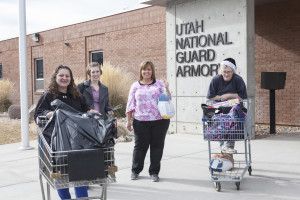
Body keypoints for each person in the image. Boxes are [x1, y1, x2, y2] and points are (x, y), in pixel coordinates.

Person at [34, 65, 97, 200]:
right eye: (61, 75)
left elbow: (85, 109)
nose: (64, 78)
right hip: (57, 143)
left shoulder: (76, 96)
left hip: (77, 142)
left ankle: (82, 198)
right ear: (55, 77)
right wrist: (48, 113)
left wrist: (90, 112)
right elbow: (38, 114)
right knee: (61, 173)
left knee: (79, 173)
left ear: (71, 78)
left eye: (67, 76)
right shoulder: (48, 96)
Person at [126, 60, 171, 182]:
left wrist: (167, 88)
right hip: (141, 121)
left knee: (157, 147)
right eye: (144, 69)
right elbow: (130, 104)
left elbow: (168, 99)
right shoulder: (135, 85)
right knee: (140, 147)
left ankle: (154, 172)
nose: (146, 71)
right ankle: (135, 170)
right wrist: (128, 121)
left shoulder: (160, 84)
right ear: (141, 71)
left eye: (149, 69)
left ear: (152, 71)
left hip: (159, 120)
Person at [207, 58, 248, 154]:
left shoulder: (238, 79)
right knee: (220, 120)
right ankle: (225, 151)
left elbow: (243, 96)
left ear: (233, 71)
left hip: (234, 110)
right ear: (221, 71)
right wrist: (221, 97)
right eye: (224, 72)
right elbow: (210, 96)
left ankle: (227, 148)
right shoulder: (216, 79)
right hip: (219, 109)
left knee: (232, 119)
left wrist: (228, 96)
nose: (226, 74)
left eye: (229, 72)